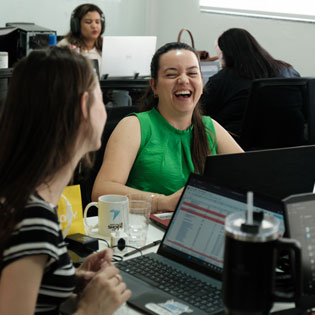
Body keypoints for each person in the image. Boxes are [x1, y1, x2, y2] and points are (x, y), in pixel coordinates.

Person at [0, 46, 131, 315]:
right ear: (85, 106)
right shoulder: (32, 220)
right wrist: (91, 309)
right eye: (100, 97)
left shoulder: (19, 194)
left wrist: (68, 279)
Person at [92, 42, 243, 212]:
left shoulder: (210, 127)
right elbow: (102, 191)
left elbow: (250, 174)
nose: (184, 80)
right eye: (172, 74)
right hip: (143, 230)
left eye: (192, 73)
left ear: (202, 82)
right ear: (154, 86)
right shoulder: (135, 126)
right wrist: (161, 202)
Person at [200, 28, 300, 138]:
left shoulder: (221, 80)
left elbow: (199, 114)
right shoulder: (288, 70)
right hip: (292, 145)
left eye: (219, 55)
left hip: (237, 149)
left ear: (226, 54)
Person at [58, 3, 105, 69]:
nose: (94, 26)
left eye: (97, 22)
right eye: (88, 22)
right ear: (76, 25)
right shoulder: (65, 46)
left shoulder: (106, 47)